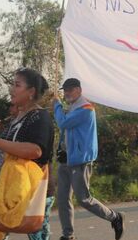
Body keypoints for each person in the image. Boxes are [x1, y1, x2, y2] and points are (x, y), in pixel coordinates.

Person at [0, 68, 55, 238]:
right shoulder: (17, 119)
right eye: (12, 84)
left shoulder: (39, 117)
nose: (11, 89)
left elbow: (35, 150)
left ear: (31, 92)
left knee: (37, 234)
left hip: (30, 190)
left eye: (17, 85)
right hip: (6, 189)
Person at [53, 78, 125, 240]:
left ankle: (115, 217)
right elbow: (67, 134)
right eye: (65, 91)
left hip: (79, 161)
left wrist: (56, 104)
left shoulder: (86, 109)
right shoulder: (72, 108)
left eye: (70, 90)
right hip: (65, 160)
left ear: (78, 90)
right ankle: (68, 235)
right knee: (63, 199)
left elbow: (63, 123)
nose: (66, 93)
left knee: (84, 199)